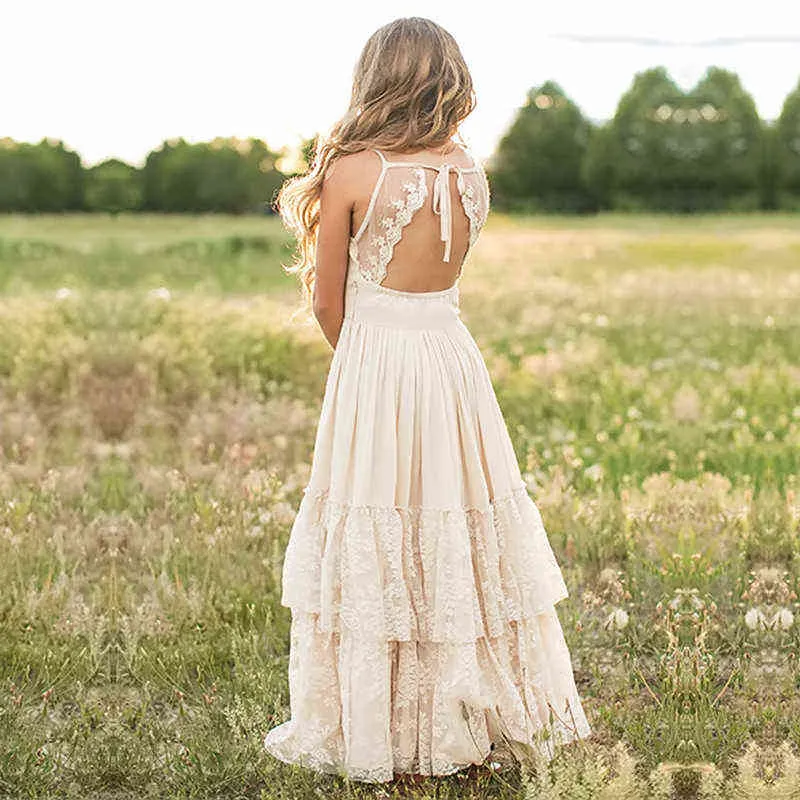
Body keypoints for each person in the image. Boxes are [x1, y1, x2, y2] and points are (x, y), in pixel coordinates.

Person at [263, 15, 592, 785]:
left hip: (378, 359)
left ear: (376, 77)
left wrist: (365, 369)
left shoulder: (351, 168)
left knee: (382, 511)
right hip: (450, 360)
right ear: (448, 79)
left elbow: (327, 304)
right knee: (453, 515)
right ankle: (470, 706)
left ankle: (387, 722)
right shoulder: (468, 171)